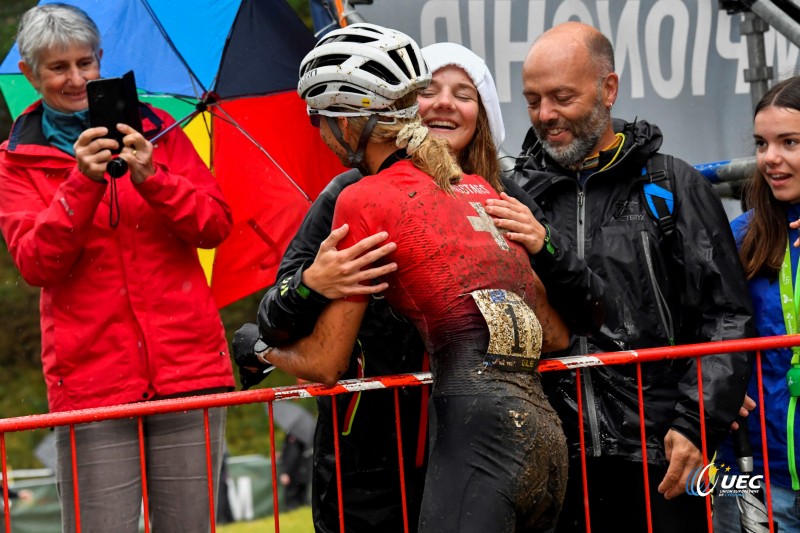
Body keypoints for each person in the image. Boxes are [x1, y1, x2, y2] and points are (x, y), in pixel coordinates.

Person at [236, 39, 605, 532]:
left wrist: (258, 350)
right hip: (534, 435)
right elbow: (557, 334)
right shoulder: (480, 195)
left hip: (465, 439)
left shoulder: (365, 197)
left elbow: (324, 362)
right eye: (432, 90)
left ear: (346, 123)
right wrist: (310, 283)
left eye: (318, 121)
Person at [513, 21, 755, 532]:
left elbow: (727, 315)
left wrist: (695, 424)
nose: (545, 115)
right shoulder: (515, 195)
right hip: (553, 458)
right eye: (533, 99)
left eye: (561, 96)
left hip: (661, 454)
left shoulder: (670, 182)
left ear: (608, 89)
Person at [0, 5, 234, 533]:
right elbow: (36, 263)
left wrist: (153, 176)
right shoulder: (16, 159)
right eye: (58, 67)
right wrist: (81, 182)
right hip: (91, 382)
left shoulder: (159, 131)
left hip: (187, 368)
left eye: (86, 62)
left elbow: (214, 226)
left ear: (102, 61)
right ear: (33, 75)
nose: (76, 78)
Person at [712, 76, 800, 532]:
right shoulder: (741, 234)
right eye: (762, 143)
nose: (771, 158)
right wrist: (718, 383)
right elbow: (704, 325)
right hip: (751, 469)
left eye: (790, 142)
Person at [279, 431, 312, 511]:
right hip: (303, 473)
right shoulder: (305, 435)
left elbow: (292, 454)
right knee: (303, 502)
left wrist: (285, 472)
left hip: (295, 475)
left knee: (292, 503)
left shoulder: (293, 435)